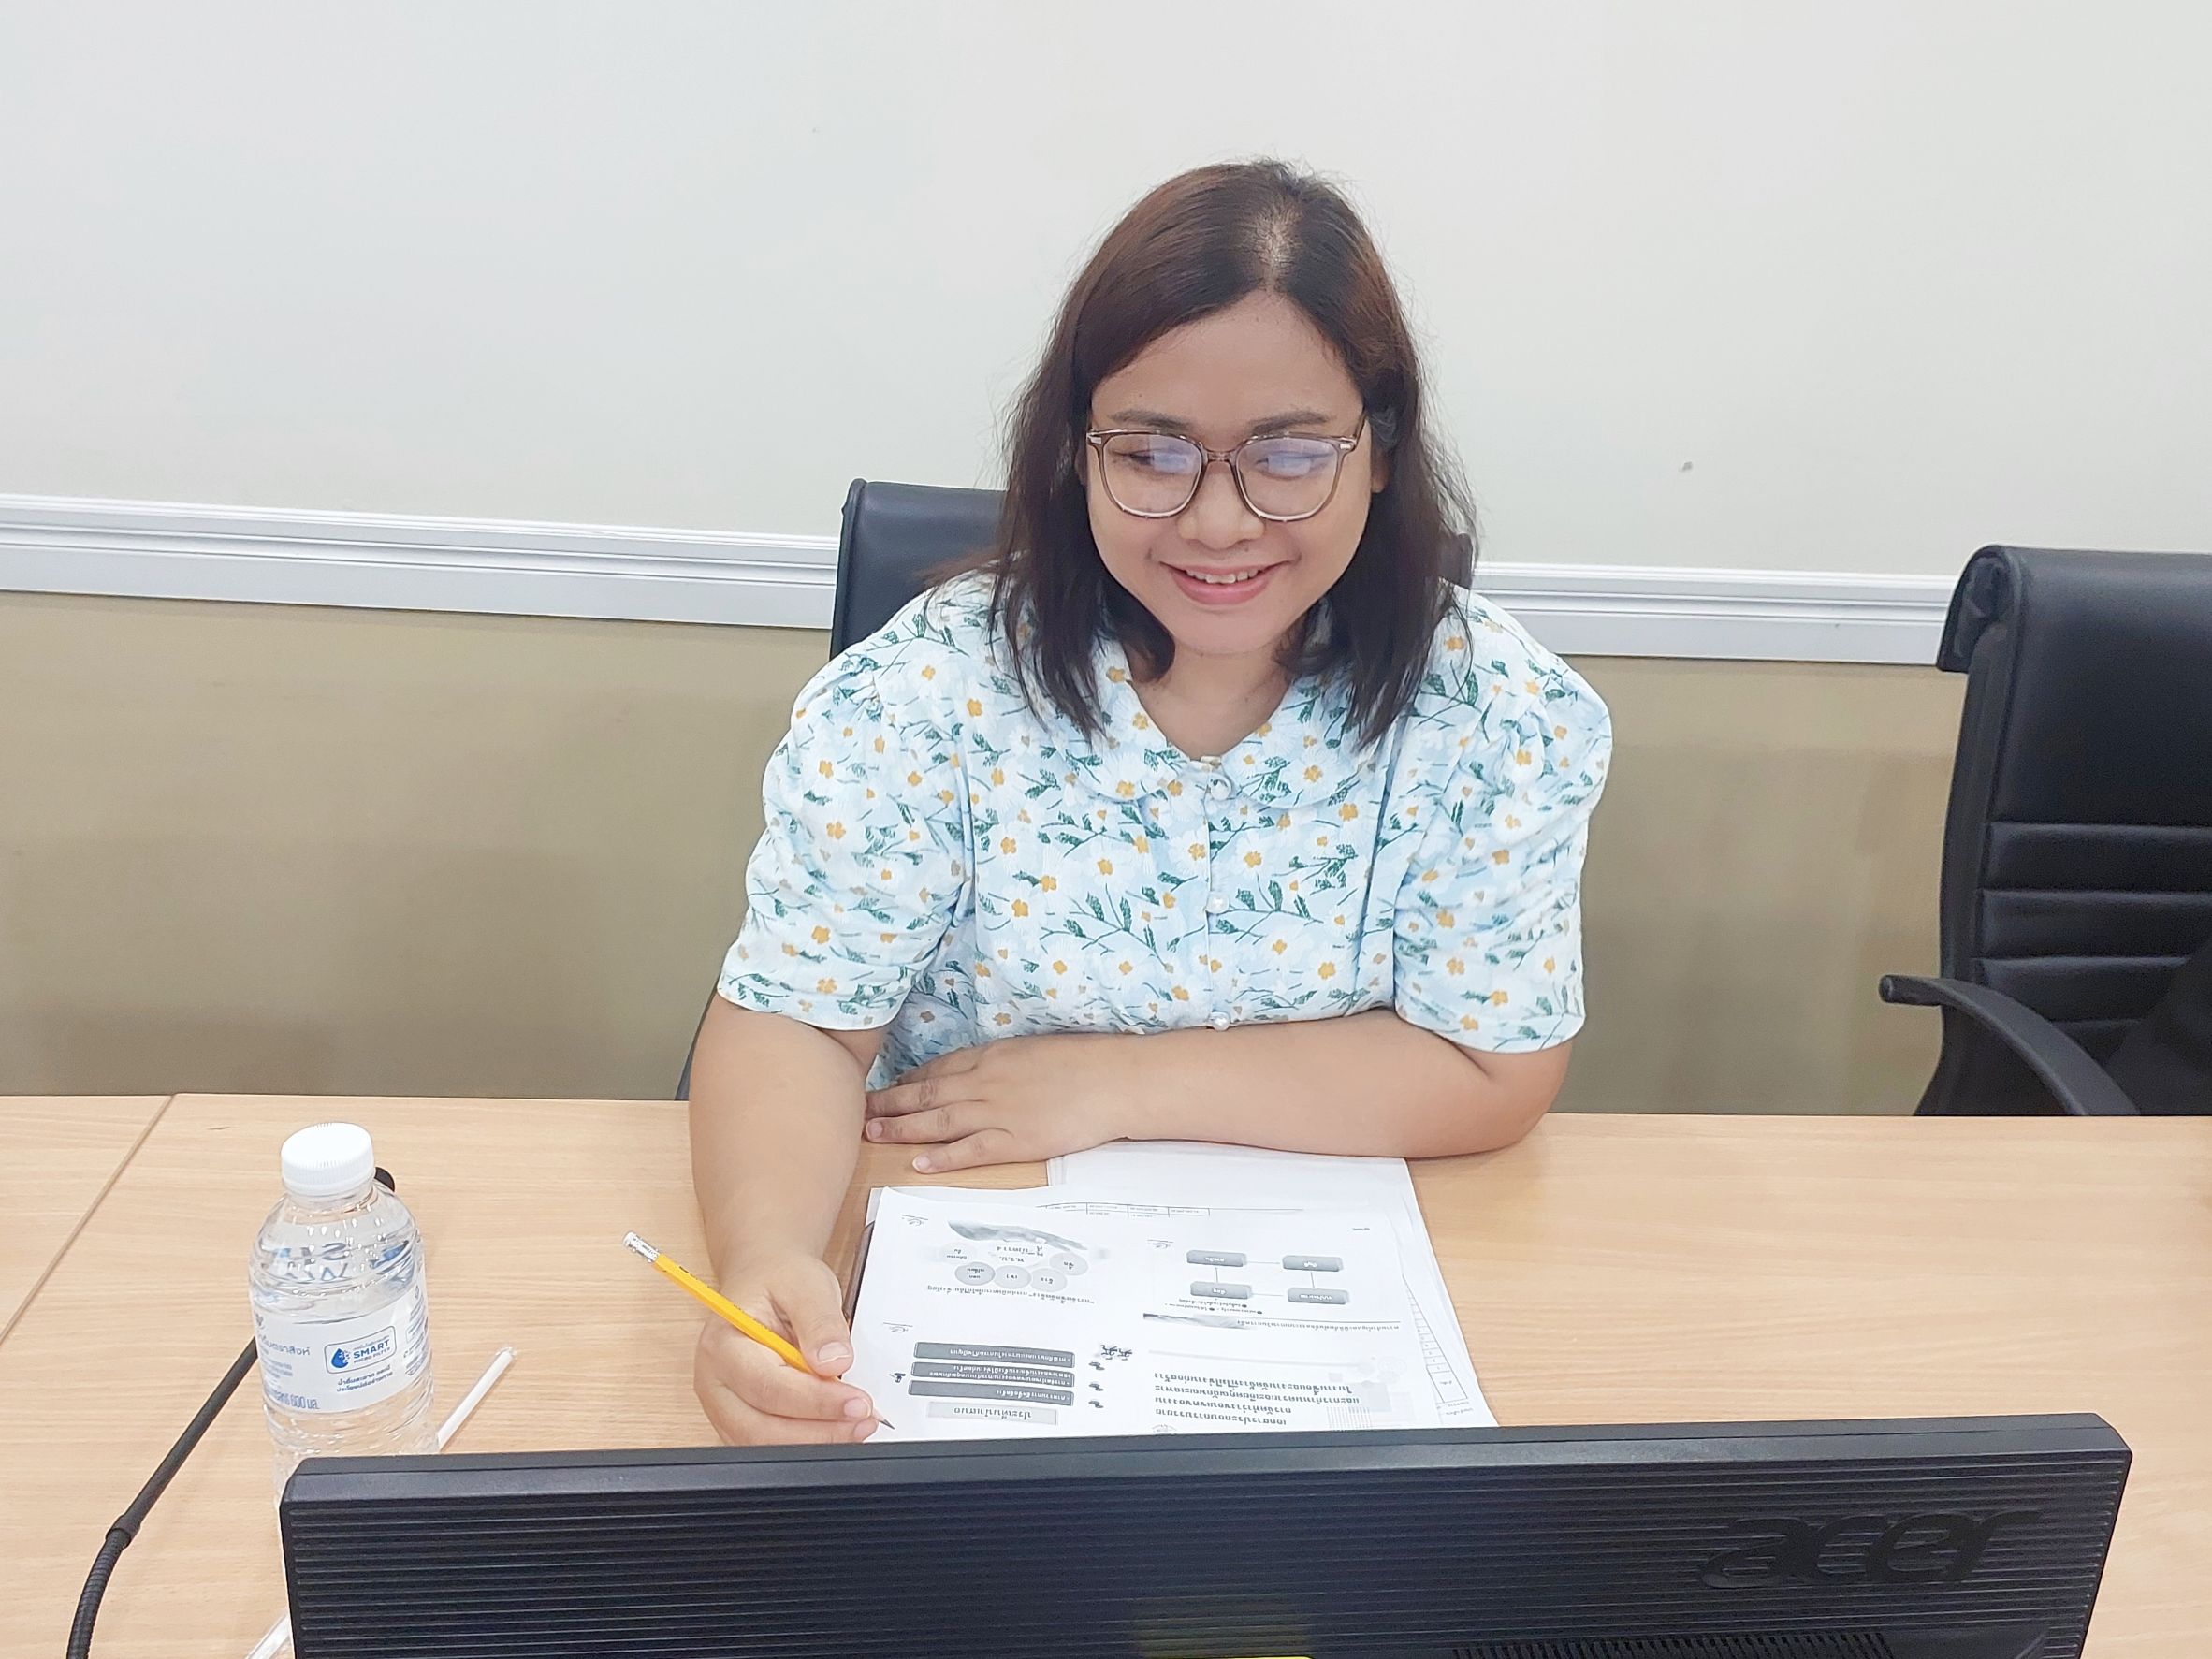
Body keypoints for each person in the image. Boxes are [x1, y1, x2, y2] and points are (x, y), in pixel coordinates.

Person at [688, 160, 1612, 1445]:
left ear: (1381, 449)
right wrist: (766, 1254)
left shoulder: (1497, 716)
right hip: (971, 1267)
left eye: (1290, 452)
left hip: (1316, 1321)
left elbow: (1490, 1066)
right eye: (1152, 451)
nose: (1219, 521)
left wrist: (1110, 1085)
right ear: (1078, 451)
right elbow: (797, 1016)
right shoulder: (925, 691)